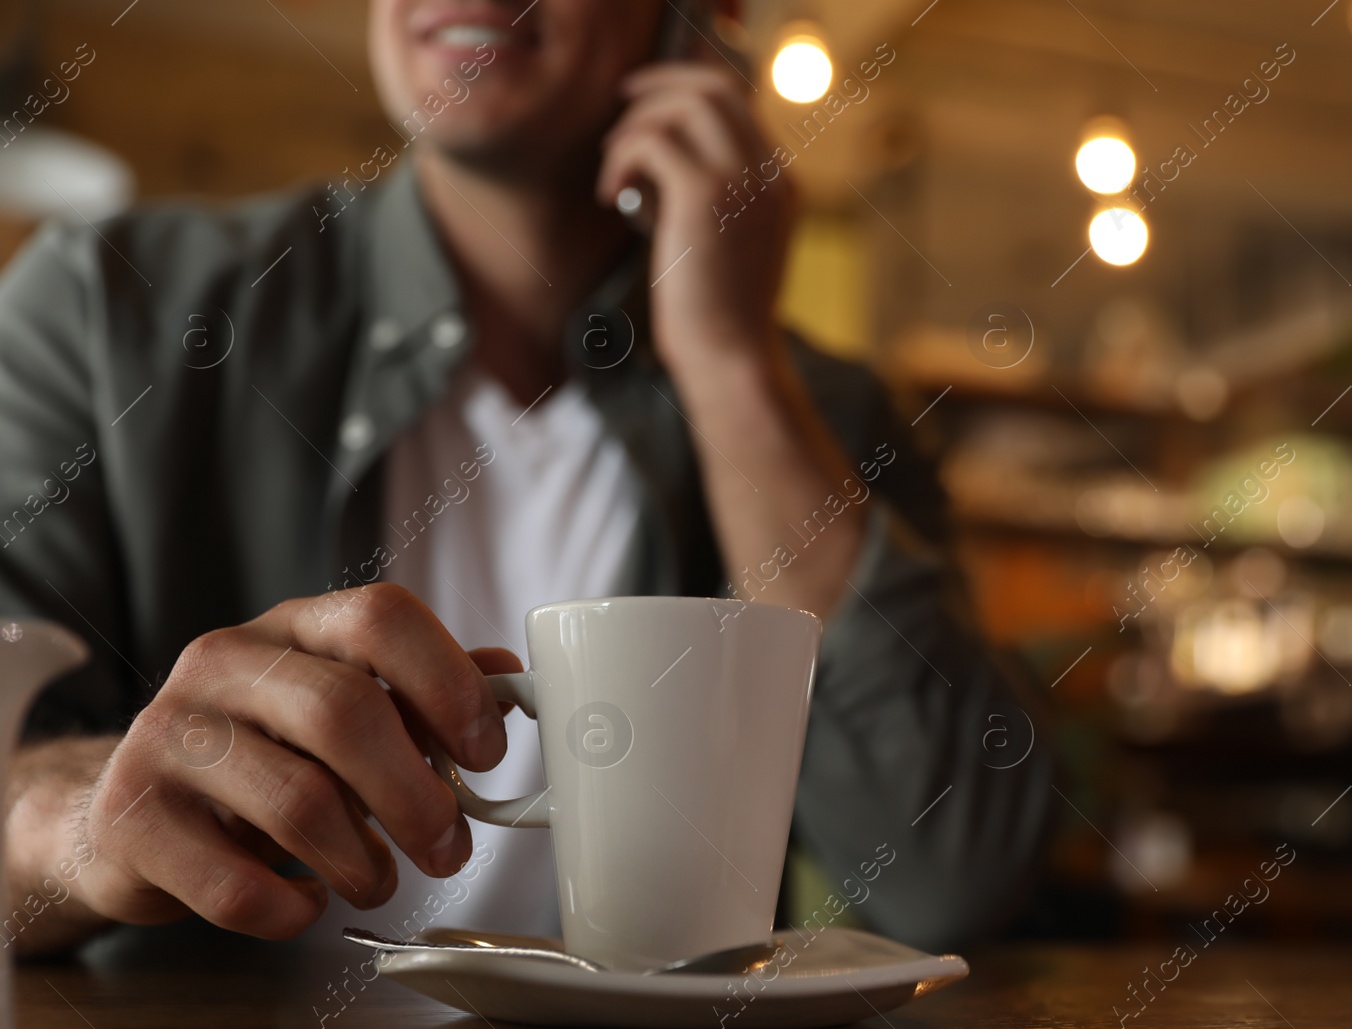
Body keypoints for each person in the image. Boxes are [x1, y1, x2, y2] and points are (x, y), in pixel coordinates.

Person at [0, 0, 1052, 955]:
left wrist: (731, 366)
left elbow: (953, 878)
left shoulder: (819, 416)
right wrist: (85, 816)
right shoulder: (105, 313)